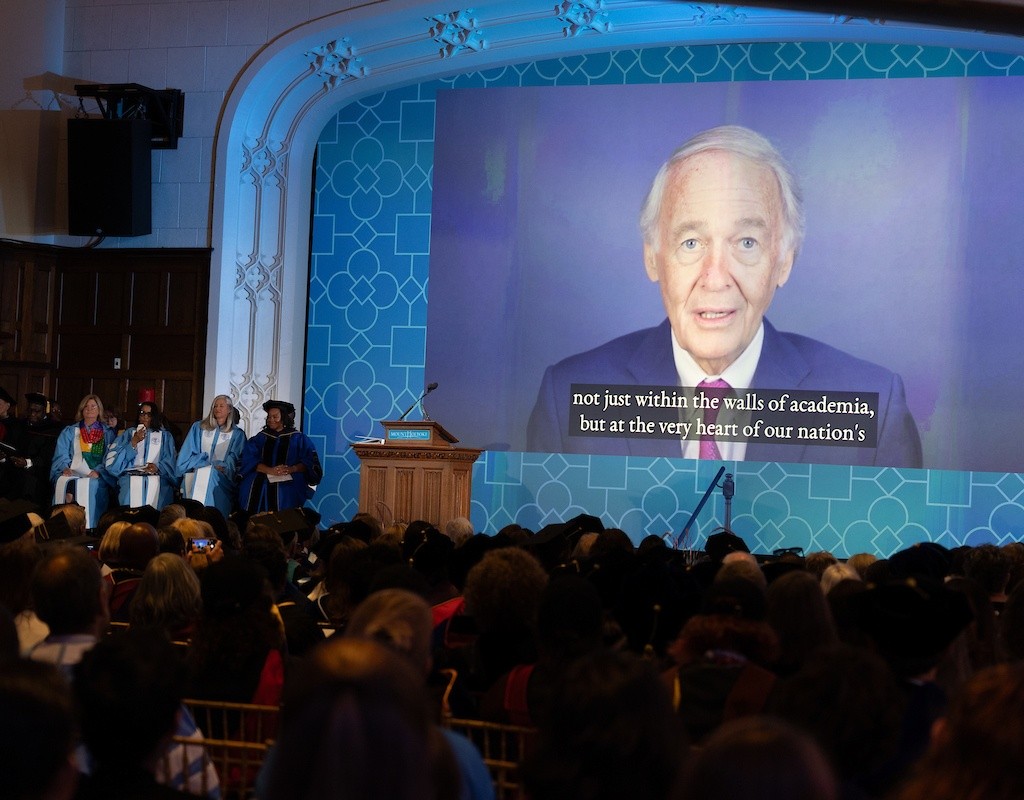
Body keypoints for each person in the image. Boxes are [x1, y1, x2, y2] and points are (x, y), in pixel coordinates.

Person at [527, 125, 922, 468]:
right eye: (691, 242)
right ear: (652, 258)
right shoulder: (568, 396)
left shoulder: (872, 407)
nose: (715, 279)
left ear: (784, 261)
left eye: (746, 242)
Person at [238, 400, 323, 514]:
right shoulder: (260, 438)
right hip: (262, 475)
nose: (271, 420)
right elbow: (248, 460)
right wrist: (270, 470)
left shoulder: (299, 438)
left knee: (286, 489)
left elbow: (309, 461)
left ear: (284, 418)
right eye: (269, 417)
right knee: (252, 485)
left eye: (275, 417)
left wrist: (291, 469)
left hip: (289, 476)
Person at [50, 395, 116, 530]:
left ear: (99, 410)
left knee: (92, 485)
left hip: (96, 473)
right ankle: (65, 525)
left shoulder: (107, 433)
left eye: (93, 406)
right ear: (81, 410)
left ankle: (90, 527)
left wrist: (98, 471)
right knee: (66, 483)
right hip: (72, 471)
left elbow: (109, 457)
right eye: (86, 406)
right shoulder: (70, 431)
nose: (89, 409)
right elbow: (61, 453)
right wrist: (65, 467)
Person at [176, 394, 246, 518]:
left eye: (221, 406)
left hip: (221, 477)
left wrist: (223, 468)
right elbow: (187, 453)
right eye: (215, 406)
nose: (217, 408)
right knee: (202, 474)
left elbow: (234, 459)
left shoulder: (237, 434)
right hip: (197, 471)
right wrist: (207, 465)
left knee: (208, 475)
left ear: (229, 409)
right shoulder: (199, 427)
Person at [106, 401, 179, 510]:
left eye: (149, 414)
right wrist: (133, 442)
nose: (145, 417)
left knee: (159, 488)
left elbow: (170, 460)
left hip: (158, 476)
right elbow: (115, 462)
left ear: (154, 417)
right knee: (130, 488)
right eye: (142, 413)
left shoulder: (165, 436)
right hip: (131, 476)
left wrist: (158, 467)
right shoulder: (128, 434)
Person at [8, 392, 63, 509]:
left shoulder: (53, 429)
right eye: (30, 410)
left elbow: (49, 455)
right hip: (16, 471)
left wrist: (28, 462)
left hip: (39, 475)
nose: (32, 414)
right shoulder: (20, 425)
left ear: (44, 411)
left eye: (37, 411)